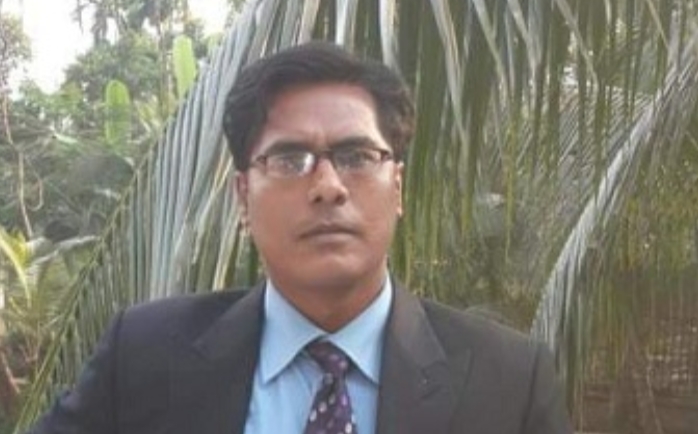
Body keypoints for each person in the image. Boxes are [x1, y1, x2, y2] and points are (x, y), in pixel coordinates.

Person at [29, 42, 573, 434]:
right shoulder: (146, 357)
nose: (328, 186)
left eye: (357, 156)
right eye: (290, 159)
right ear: (243, 196)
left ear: (398, 188)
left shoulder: (507, 382)